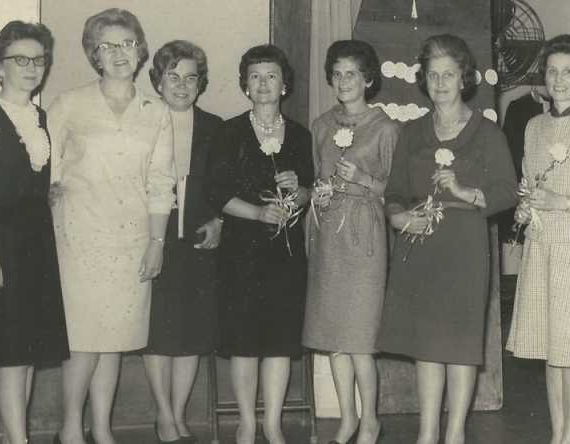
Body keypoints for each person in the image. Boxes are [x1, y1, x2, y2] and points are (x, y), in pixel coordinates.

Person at [376, 34, 517, 444]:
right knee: (426, 344)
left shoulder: (486, 132)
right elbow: (395, 191)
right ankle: (427, 433)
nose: (440, 83)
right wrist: (399, 218)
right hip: (420, 244)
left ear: (464, 79)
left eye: (449, 75)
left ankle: (453, 434)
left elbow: (508, 191)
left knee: (458, 343)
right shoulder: (414, 130)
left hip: (464, 245)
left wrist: (464, 191)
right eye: (433, 75)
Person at [47, 9, 175, 444]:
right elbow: (47, 173)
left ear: (140, 50)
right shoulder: (68, 104)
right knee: (84, 338)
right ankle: (69, 429)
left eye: (126, 43)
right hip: (79, 237)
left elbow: (161, 182)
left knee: (115, 338)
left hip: (132, 239)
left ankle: (101, 430)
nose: (118, 53)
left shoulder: (155, 110)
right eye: (107, 46)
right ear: (93, 55)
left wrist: (157, 241)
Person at [205, 44, 313, 444]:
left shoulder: (301, 135)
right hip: (241, 253)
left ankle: (273, 424)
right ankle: (248, 423)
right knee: (246, 341)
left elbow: (310, 191)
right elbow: (216, 193)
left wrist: (298, 191)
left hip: (285, 255)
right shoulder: (228, 132)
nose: (263, 84)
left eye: (271, 76)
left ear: (285, 84)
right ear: (244, 85)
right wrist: (258, 213)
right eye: (255, 76)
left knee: (280, 341)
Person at [506, 34, 570, 444]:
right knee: (551, 351)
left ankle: (568, 441)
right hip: (541, 247)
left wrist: (560, 200)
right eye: (553, 71)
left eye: (568, 71)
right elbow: (530, 185)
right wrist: (526, 207)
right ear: (544, 78)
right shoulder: (533, 127)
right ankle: (557, 437)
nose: (560, 79)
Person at [0, 20, 69, 444]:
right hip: (0, 245)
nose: (31, 67)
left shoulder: (42, 119)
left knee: (29, 350)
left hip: (39, 244)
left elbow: (48, 185)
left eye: (39, 59)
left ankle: (18, 436)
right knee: (11, 353)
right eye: (20, 59)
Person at [302, 39, 397, 444]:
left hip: (365, 237)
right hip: (329, 236)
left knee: (360, 338)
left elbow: (396, 191)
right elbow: (316, 177)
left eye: (352, 74)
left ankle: (370, 420)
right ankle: (347, 419)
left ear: (368, 78)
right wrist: (318, 193)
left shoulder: (386, 128)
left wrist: (362, 181)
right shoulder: (322, 125)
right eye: (337, 73)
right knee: (334, 338)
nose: (343, 81)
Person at [142, 40, 223, 444]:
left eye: (191, 78)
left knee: (190, 330)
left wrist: (219, 221)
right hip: (150, 238)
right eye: (173, 76)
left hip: (196, 241)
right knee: (157, 329)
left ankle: (177, 412)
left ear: (200, 84)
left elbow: (223, 188)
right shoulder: (142, 121)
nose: (181, 85)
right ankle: (161, 412)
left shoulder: (214, 127)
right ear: (157, 81)